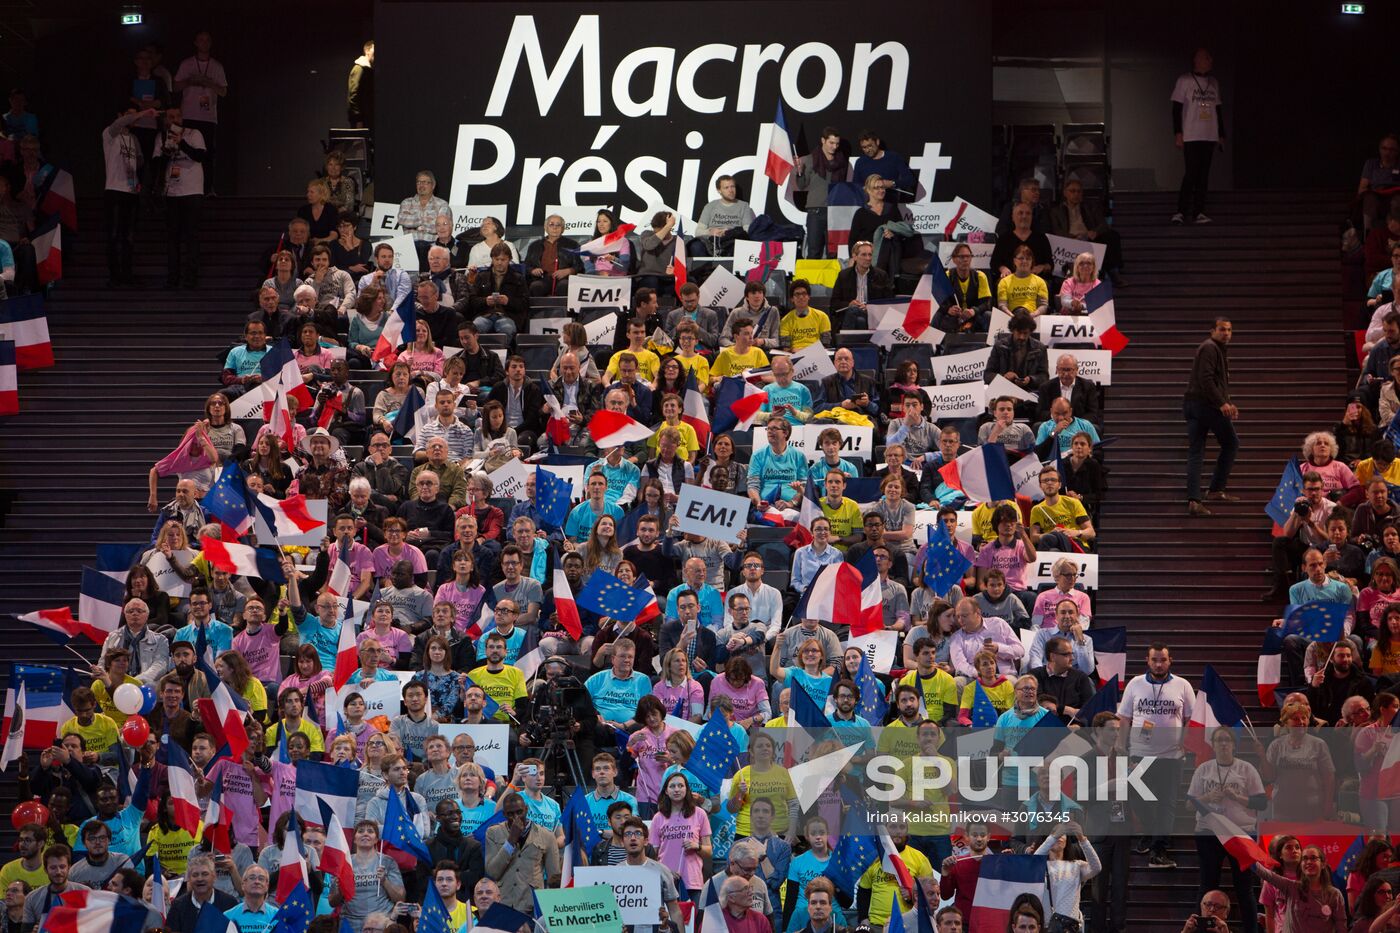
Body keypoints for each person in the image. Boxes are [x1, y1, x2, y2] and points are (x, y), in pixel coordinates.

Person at [1117, 643, 1194, 869]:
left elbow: (1191, 717)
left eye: (1163, 660)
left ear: (1170, 661)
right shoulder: (1135, 683)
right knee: (1137, 796)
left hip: (1172, 756)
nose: (1159, 664)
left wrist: (1186, 741)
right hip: (1139, 754)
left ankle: (1158, 850)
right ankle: (1149, 833)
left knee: (1166, 803)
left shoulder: (1182, 685)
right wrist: (1122, 747)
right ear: (1147, 661)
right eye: (1154, 660)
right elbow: (1123, 717)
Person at [1184, 318, 1239, 516]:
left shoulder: (1214, 348)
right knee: (1231, 443)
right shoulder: (1210, 348)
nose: (1226, 333)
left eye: (1229, 330)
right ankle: (1215, 489)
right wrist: (1222, 403)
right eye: (1222, 329)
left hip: (1195, 405)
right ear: (1212, 331)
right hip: (1205, 406)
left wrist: (1226, 402)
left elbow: (1213, 380)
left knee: (1196, 451)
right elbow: (1206, 379)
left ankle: (1194, 500)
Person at [102, 107, 156, 289]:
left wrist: (136, 181)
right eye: (128, 114)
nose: (132, 118)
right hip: (114, 191)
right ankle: (114, 275)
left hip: (130, 191)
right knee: (114, 234)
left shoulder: (133, 139)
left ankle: (127, 274)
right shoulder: (110, 135)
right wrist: (142, 113)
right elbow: (119, 124)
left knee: (129, 236)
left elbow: (138, 161)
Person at [1170, 48, 1225, 225]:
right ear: (1196, 59)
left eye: (1210, 57)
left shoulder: (1213, 82)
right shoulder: (1184, 80)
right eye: (1206, 57)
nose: (1210, 60)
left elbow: (1218, 109)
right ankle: (1180, 211)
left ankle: (1199, 211)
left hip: (1209, 135)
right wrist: (1178, 132)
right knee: (1191, 173)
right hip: (1191, 134)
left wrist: (1221, 134)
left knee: (1203, 174)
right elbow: (1176, 108)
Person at [155, 106, 207, 289]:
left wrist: (181, 142)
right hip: (172, 192)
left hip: (192, 191)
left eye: (177, 116)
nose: (174, 119)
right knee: (172, 237)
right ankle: (172, 278)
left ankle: (191, 278)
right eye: (170, 117)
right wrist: (166, 151)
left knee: (191, 236)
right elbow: (156, 163)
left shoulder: (194, 133)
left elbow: (200, 155)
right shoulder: (162, 136)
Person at [173, 31, 226, 196]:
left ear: (210, 43)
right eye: (201, 40)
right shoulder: (187, 64)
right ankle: (181, 187)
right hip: (188, 115)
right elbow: (175, 87)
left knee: (208, 154)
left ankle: (208, 188)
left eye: (207, 40)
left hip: (208, 117)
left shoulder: (216, 66)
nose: (204, 43)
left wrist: (209, 83)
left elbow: (223, 92)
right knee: (183, 151)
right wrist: (191, 81)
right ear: (196, 43)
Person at [795, 127, 848, 259]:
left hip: (835, 212)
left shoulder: (842, 161)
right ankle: (812, 280)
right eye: (831, 143)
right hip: (816, 211)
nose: (834, 147)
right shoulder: (809, 159)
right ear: (823, 140)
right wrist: (799, 172)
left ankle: (832, 280)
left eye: (837, 143)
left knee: (833, 253)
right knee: (814, 252)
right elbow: (801, 186)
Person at [829, 241, 893, 332]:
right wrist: (849, 304)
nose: (868, 258)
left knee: (855, 314)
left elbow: (889, 301)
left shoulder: (881, 275)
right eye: (864, 255)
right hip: (850, 314)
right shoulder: (844, 275)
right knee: (855, 314)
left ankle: (845, 343)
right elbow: (834, 303)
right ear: (855, 256)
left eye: (870, 255)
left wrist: (870, 307)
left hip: (873, 315)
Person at [525, 214, 584, 297]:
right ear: (545, 227)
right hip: (542, 279)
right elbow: (527, 265)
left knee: (564, 286)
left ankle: (565, 310)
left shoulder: (572, 245)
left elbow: (580, 266)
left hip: (564, 279)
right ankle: (540, 310)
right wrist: (532, 270)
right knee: (536, 287)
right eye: (551, 224)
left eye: (558, 225)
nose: (555, 228)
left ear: (562, 229)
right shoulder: (534, 246)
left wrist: (569, 271)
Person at [347, 40, 374, 128]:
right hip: (362, 122)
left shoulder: (368, 71)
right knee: (360, 141)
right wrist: (358, 119)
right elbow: (353, 95)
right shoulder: (359, 69)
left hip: (367, 120)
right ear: (367, 51)